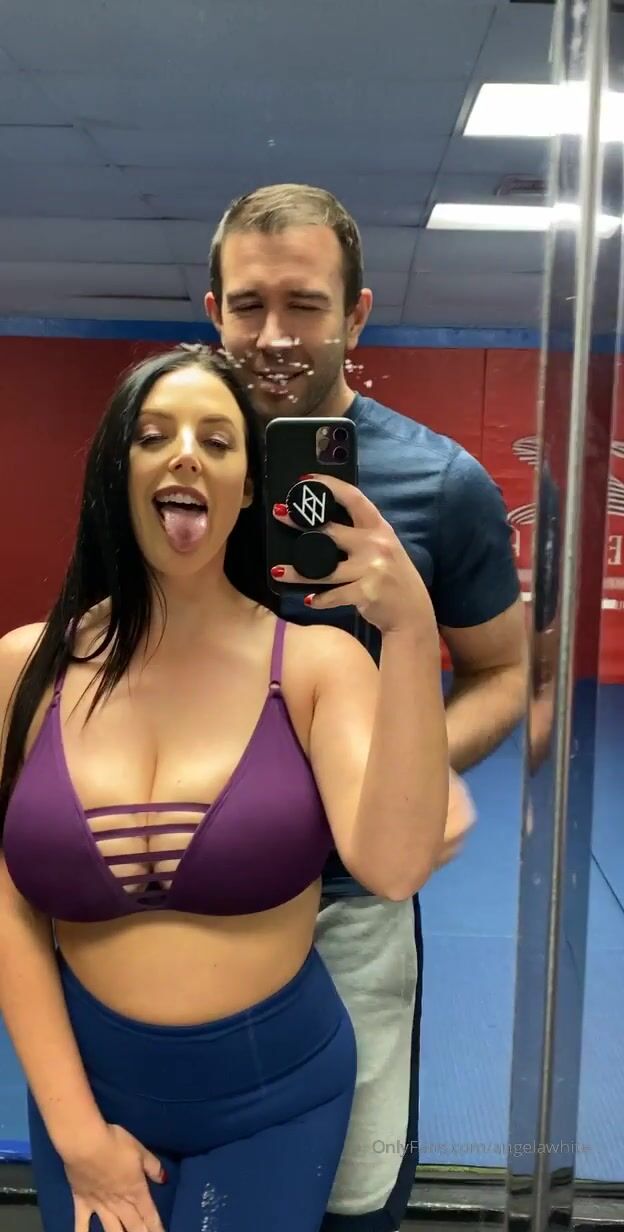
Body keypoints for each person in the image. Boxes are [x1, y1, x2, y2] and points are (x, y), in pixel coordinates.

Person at [0, 346, 467, 1232]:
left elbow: (395, 866)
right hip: (87, 1095)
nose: (185, 455)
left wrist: (409, 632)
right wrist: (76, 1132)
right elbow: (7, 907)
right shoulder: (24, 669)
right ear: (116, 472)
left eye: (217, 441)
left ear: (250, 487)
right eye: (153, 436)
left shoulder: (319, 665)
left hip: (275, 1104)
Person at [205, 184, 528, 1231]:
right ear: (213, 311)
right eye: (249, 305)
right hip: (182, 893)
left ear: (357, 314)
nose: (275, 335)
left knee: (347, 1197)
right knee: (192, 1186)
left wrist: (417, 767)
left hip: (352, 899)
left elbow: (505, 672)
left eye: (305, 304)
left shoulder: (441, 483)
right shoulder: (167, 470)